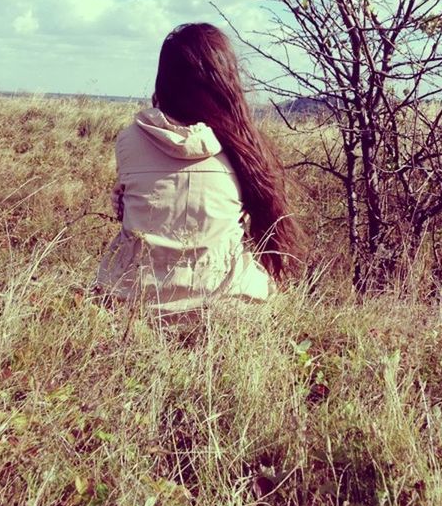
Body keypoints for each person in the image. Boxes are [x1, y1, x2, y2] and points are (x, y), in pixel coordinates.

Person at [96, 22, 303, 314]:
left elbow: (145, 212)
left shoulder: (129, 139)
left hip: (135, 303)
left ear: (164, 79)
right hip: (228, 305)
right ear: (225, 80)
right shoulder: (244, 145)